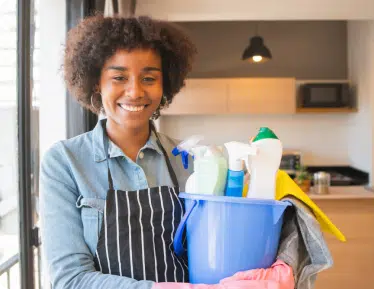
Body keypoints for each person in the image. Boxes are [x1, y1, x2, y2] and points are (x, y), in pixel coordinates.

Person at [39, 14, 294, 289]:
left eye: (149, 78)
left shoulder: (193, 160)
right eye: (119, 77)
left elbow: (228, 241)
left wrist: (279, 263)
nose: (135, 91)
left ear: (165, 84)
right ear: (95, 83)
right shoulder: (65, 163)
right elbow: (70, 279)